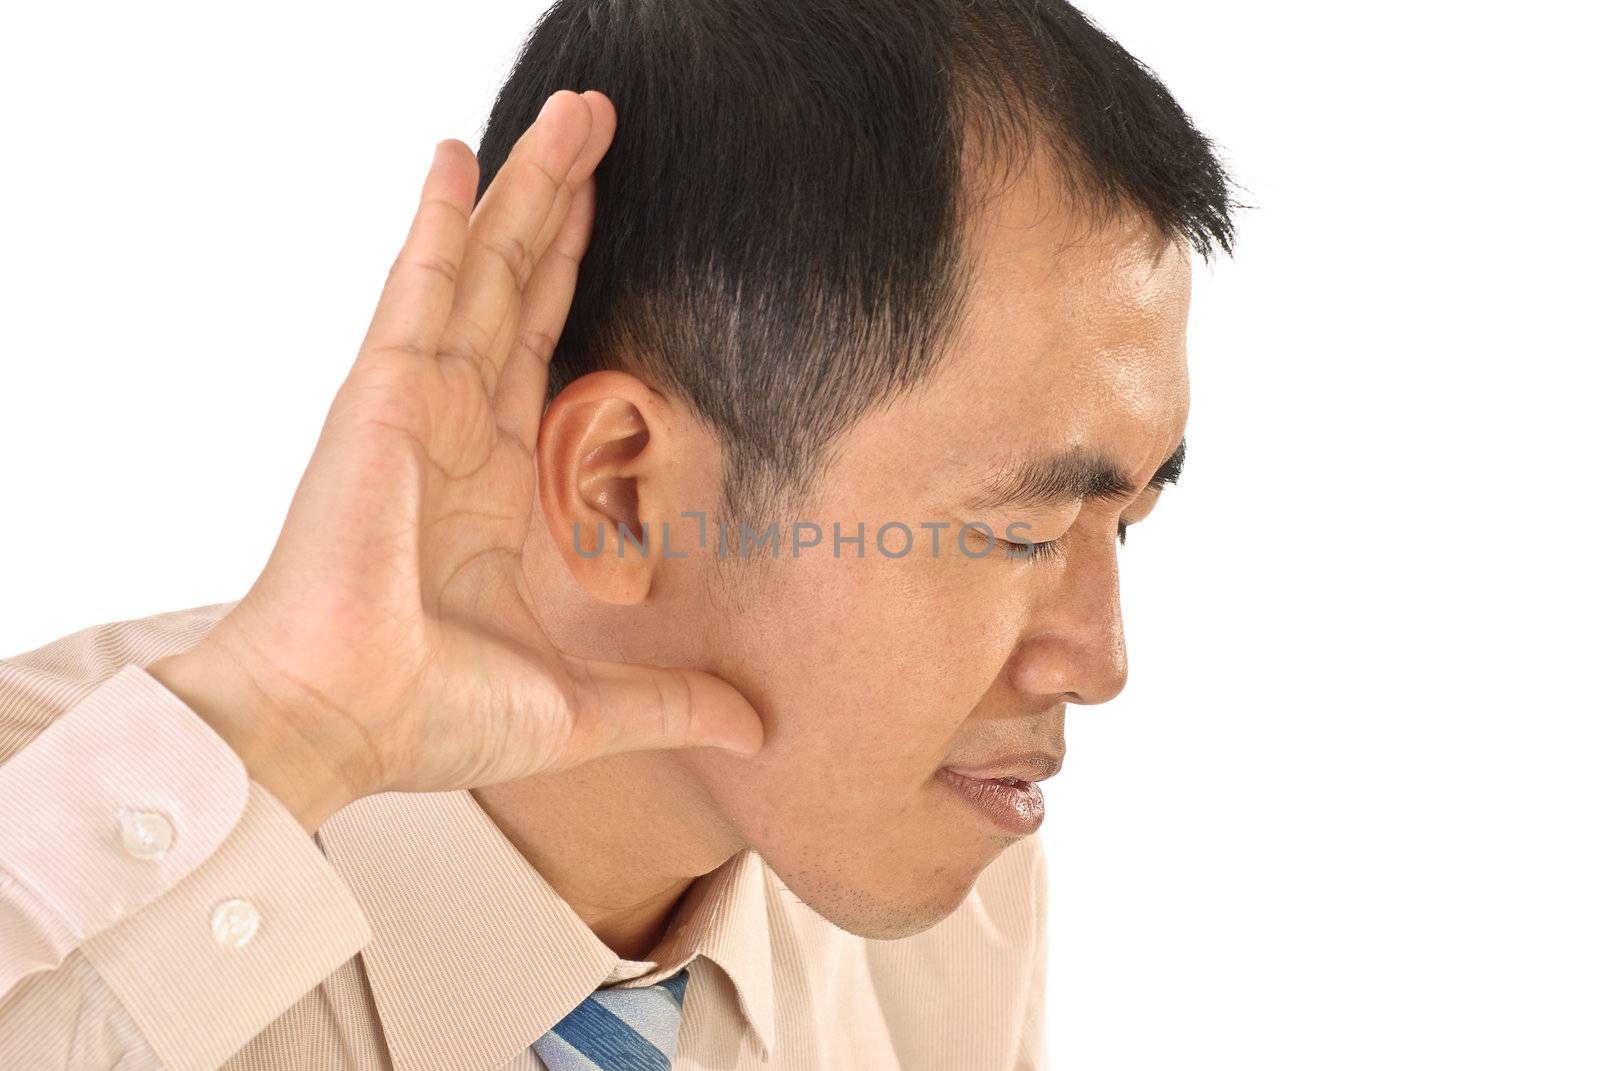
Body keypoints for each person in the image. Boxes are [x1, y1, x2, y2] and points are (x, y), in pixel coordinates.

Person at [0, 0, 1236, 1067]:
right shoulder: (45, 842)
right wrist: (282, 736)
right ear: (619, 492)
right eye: (1021, 533)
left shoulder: (954, 899)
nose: (1098, 659)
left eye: (1126, 524)